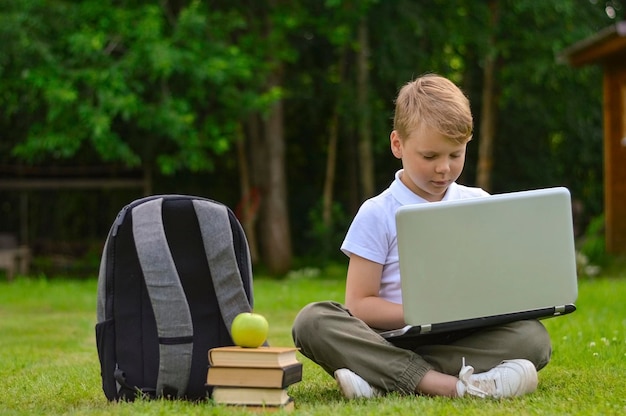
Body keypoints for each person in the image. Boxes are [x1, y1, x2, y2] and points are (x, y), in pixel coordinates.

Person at [291, 74, 551, 399]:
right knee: (312, 321)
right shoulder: (377, 213)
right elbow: (359, 306)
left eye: (455, 155)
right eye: (430, 157)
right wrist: (427, 312)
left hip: (464, 336)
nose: (444, 168)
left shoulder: (479, 204)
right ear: (397, 144)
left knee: (534, 339)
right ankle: (452, 386)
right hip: (392, 337)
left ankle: (378, 378)